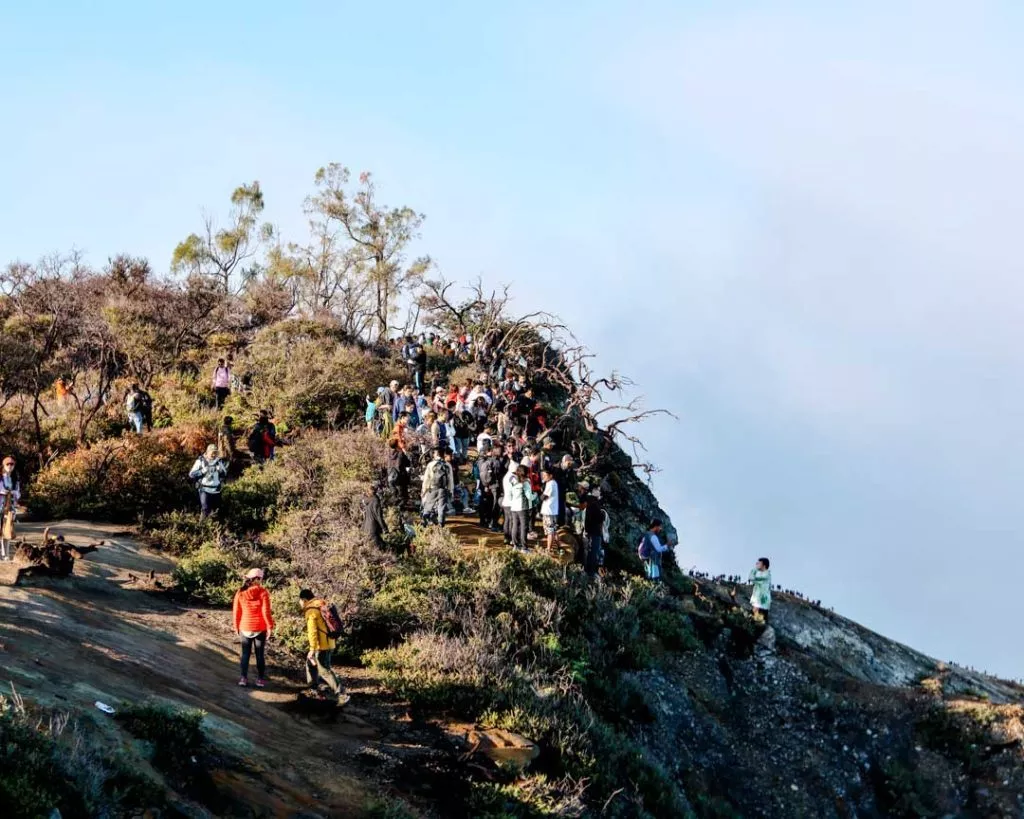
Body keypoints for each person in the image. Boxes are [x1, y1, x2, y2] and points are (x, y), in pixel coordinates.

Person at [299, 589, 350, 705]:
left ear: (304, 600)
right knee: (310, 664)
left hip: (321, 646)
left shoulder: (311, 610)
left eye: (300, 601)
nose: (300, 603)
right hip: (330, 642)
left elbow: (312, 632)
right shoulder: (321, 603)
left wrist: (312, 649)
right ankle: (313, 688)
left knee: (324, 670)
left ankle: (341, 694)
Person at [232, 568, 275, 688]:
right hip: (260, 627)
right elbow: (266, 612)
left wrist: (236, 626)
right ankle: (260, 680)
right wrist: (270, 627)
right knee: (260, 655)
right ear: (257, 579)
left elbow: (236, 612)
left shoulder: (240, 592)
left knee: (245, 654)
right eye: (261, 578)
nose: (262, 581)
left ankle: (243, 679)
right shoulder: (263, 592)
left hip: (244, 627)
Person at [189, 444, 228, 518]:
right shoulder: (200, 461)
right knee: (205, 510)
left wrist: (220, 471)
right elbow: (191, 474)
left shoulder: (219, 461)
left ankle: (216, 528)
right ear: (207, 452)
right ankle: (202, 528)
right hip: (204, 490)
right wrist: (202, 471)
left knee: (217, 512)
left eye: (215, 453)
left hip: (217, 491)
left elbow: (225, 474)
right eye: (212, 453)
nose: (214, 455)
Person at [421, 448, 454, 526]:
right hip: (443, 489)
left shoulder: (431, 464)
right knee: (441, 508)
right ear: (443, 454)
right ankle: (441, 524)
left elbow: (426, 479)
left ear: (436, 454)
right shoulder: (448, 465)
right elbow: (450, 479)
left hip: (432, 488)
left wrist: (424, 490)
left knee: (428, 507)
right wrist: (450, 491)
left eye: (434, 453)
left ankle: (424, 524)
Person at [477, 444, 503, 531]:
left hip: (490, 486)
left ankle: (490, 522)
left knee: (491, 504)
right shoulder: (493, 462)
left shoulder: (488, 461)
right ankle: (493, 523)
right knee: (495, 505)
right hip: (494, 487)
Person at [0, 457, 20, 562]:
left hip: (9, 508)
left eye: (11, 464)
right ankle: (2, 554)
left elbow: (18, 493)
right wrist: (5, 492)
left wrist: (14, 493)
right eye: (7, 464)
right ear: (3, 465)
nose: (9, 466)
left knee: (7, 531)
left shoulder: (15, 479)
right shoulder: (0, 478)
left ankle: (6, 555)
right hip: (0, 507)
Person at [581, 493, 605, 577]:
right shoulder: (595, 506)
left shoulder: (588, 507)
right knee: (593, 553)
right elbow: (600, 519)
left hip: (588, 533)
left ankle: (586, 570)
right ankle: (590, 572)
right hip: (594, 533)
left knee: (588, 552)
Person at [540, 467, 560, 552]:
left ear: (551, 476)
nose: (543, 477)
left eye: (545, 475)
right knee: (554, 530)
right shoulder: (552, 483)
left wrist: (540, 494)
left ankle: (548, 549)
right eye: (542, 475)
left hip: (549, 511)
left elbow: (544, 497)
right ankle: (559, 546)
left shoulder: (551, 483)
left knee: (550, 531)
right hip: (552, 510)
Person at [363, 484, 388, 549]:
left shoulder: (367, 501)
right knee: (380, 548)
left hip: (366, 528)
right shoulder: (375, 501)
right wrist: (385, 528)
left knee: (373, 548)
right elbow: (379, 517)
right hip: (373, 529)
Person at [386, 438, 411, 504]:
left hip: (391, 475)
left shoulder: (388, 454)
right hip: (400, 476)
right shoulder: (400, 454)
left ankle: (395, 506)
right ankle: (401, 508)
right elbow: (408, 464)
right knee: (403, 495)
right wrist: (406, 453)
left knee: (395, 493)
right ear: (397, 445)